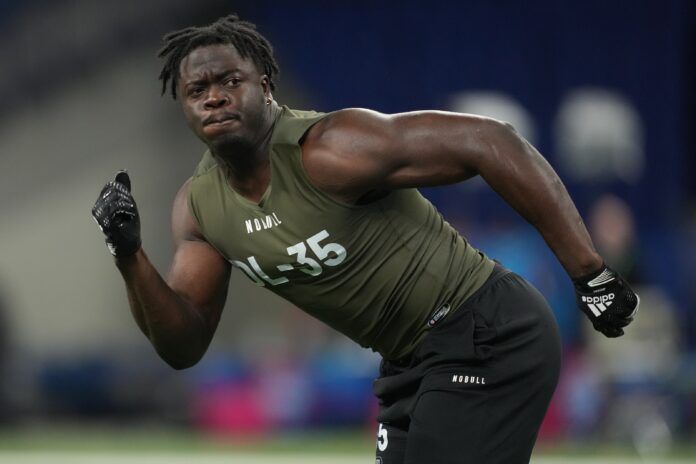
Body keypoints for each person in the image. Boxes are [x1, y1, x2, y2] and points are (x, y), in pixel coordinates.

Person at [91, 14, 639, 464]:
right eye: (197, 90)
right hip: (408, 363)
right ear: (183, 105)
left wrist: (590, 273)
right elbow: (183, 345)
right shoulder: (198, 206)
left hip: (487, 331)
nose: (214, 98)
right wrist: (129, 254)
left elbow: (491, 140)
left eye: (229, 81)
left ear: (265, 85)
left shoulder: (330, 148)